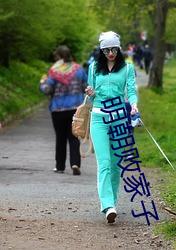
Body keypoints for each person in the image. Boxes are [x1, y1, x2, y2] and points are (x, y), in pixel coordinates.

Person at [85, 31, 138, 223]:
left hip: (119, 119)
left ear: (119, 48)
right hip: (98, 118)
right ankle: (107, 205)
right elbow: (91, 97)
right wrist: (90, 92)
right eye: (106, 50)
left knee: (116, 165)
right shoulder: (93, 68)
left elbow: (131, 90)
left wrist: (133, 104)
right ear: (101, 50)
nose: (110, 53)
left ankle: (113, 201)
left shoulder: (127, 68)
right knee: (104, 163)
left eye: (114, 49)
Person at [39, 45, 88, 175]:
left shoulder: (54, 71)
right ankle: (75, 163)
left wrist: (42, 83)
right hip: (75, 109)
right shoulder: (79, 70)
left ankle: (60, 166)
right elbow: (86, 87)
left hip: (58, 109)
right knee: (73, 137)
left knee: (60, 138)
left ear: (58, 57)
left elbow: (47, 90)